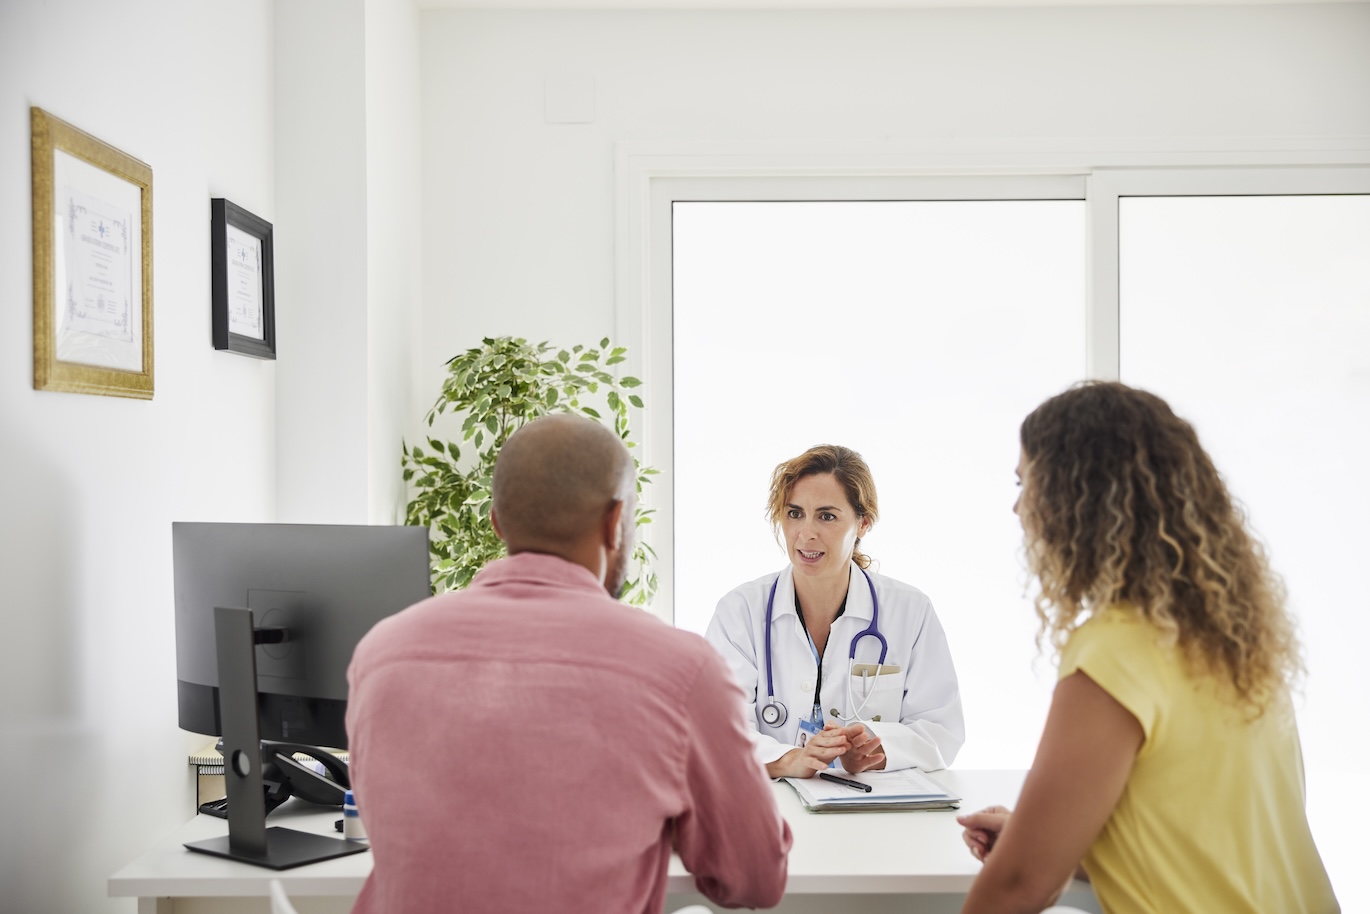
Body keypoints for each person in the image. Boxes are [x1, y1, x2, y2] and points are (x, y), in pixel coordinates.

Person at [346, 413, 792, 914]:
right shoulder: (681, 671)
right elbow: (755, 879)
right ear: (615, 523)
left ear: (497, 523)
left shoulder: (381, 653)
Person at [957, 381, 1338, 914]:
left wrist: (1029, 856)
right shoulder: (1237, 644)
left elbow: (1021, 884)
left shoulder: (1115, 651)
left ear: (1076, 498)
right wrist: (1043, 837)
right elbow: (1200, 843)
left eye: (1027, 483)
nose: (1018, 508)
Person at [705, 444, 964, 779]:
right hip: (773, 801)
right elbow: (715, 729)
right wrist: (789, 760)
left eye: (826, 516)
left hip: (872, 802)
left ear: (863, 524)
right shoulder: (739, 612)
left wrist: (874, 751)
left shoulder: (910, 611)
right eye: (794, 513)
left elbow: (941, 729)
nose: (806, 533)